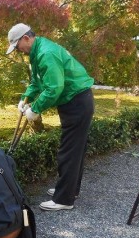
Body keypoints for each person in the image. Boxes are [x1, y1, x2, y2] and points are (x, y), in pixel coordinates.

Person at [6, 23, 95, 211]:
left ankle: (64, 199)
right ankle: (70, 190)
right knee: (75, 150)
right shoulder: (37, 52)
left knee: (68, 151)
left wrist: (35, 109)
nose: (18, 51)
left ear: (26, 38)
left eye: (17, 46)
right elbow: (37, 82)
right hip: (75, 101)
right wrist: (25, 98)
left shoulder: (46, 53)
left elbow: (54, 88)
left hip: (76, 103)